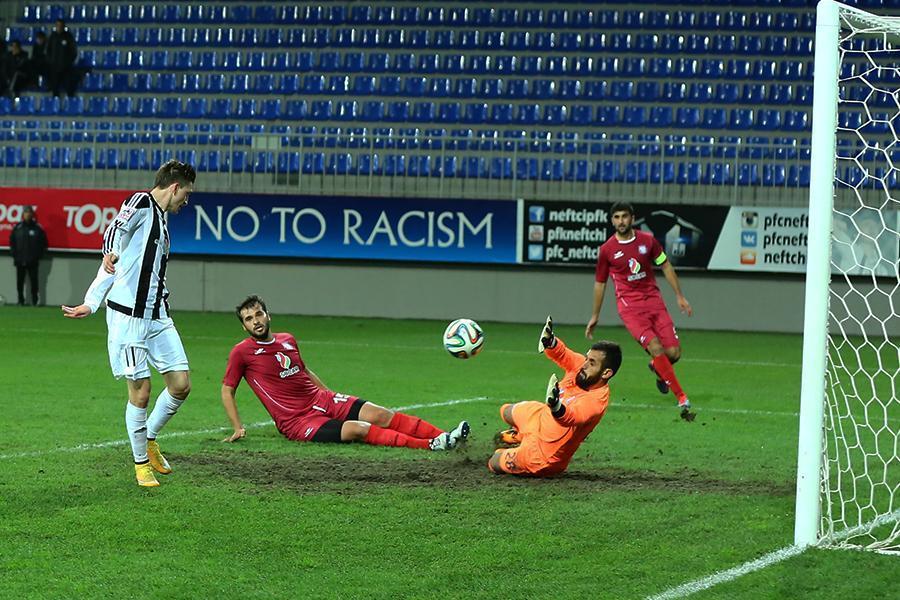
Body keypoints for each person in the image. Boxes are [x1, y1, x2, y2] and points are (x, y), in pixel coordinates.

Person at [60, 160, 196, 487]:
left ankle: (148, 439)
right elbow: (115, 233)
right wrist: (96, 290)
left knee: (181, 385)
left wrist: (95, 294)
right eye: (187, 193)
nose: (186, 201)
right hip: (129, 318)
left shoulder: (162, 222)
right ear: (175, 187)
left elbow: (128, 267)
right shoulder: (141, 202)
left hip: (157, 315)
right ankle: (140, 465)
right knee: (141, 391)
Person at [222, 295, 470, 451]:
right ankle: (431, 444)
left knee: (381, 414)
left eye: (258, 314)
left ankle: (446, 435)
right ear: (244, 326)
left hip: (320, 399)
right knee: (357, 429)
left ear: (268, 315)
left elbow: (304, 370)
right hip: (297, 421)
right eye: (248, 319)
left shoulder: (287, 339)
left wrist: (328, 395)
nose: (255, 321)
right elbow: (227, 390)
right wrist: (237, 427)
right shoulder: (241, 352)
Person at [585, 201, 694, 415]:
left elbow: (665, 265)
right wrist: (595, 315)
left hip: (655, 303)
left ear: (632, 218)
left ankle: (659, 369)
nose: (621, 221)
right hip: (630, 309)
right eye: (617, 217)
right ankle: (682, 397)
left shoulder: (648, 241)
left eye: (624, 216)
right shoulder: (607, 250)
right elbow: (600, 283)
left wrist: (679, 295)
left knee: (674, 353)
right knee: (656, 348)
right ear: (612, 221)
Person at [488, 316, 620, 477]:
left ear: (606, 373)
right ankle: (521, 435)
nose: (584, 365)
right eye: (587, 358)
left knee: (494, 461)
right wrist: (550, 342)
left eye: (592, 363)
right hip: (540, 417)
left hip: (541, 454)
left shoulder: (597, 400)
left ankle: (519, 442)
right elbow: (563, 354)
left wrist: (556, 406)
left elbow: (571, 417)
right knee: (506, 411)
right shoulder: (582, 367)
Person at [9, 205, 48, 306]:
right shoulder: (18, 228)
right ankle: (20, 300)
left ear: (32, 214)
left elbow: (43, 244)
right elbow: (12, 243)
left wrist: (37, 256)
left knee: (34, 282)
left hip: (33, 261)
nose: (28, 214)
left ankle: (35, 301)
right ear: (23, 214)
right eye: (26, 212)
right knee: (20, 282)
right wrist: (15, 255)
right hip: (20, 260)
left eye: (29, 212)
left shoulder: (37, 229)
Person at [46, 19, 77, 96]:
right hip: (54, 67)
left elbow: (73, 51)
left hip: (66, 68)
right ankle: (55, 102)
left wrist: (68, 63)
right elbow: (48, 50)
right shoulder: (52, 36)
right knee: (55, 89)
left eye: (61, 26)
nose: (59, 27)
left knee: (69, 89)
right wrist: (51, 61)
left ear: (64, 26)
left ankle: (70, 102)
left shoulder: (68, 36)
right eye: (57, 25)